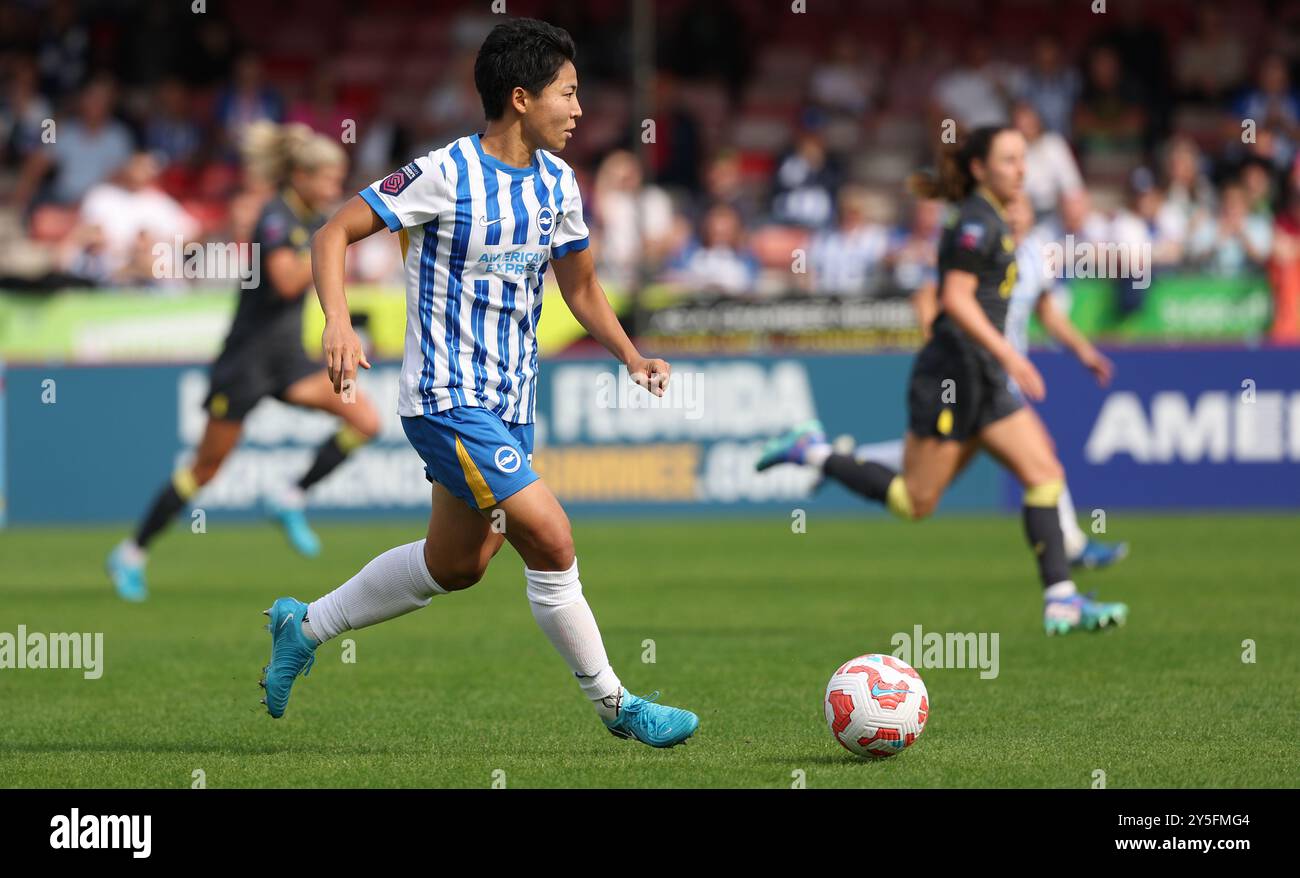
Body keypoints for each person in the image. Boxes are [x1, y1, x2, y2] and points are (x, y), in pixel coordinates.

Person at [259, 18, 698, 747]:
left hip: (510, 404)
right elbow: (332, 231)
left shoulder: (559, 183)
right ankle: (619, 707)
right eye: (569, 92)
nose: (580, 108)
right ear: (521, 98)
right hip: (444, 399)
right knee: (553, 540)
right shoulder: (444, 173)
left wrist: (630, 354)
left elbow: (581, 289)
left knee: (457, 565)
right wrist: (337, 321)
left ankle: (303, 626)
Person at [755, 126, 1128, 636]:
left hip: (986, 375)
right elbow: (953, 297)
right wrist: (1011, 357)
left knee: (1043, 471)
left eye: (1023, 160)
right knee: (916, 502)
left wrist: (1074, 352)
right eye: (1009, 160)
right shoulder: (976, 222)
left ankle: (1061, 600)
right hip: (953, 375)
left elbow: (1028, 304)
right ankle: (814, 452)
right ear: (979, 169)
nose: (1022, 170)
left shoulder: (999, 221)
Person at [106, 122, 381, 601]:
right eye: (329, 178)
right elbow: (286, 283)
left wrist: (332, 240)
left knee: (365, 419)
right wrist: (332, 249)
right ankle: (131, 553)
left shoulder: (313, 219)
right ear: (300, 174)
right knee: (205, 470)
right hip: (246, 364)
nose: (335, 189)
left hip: (287, 360)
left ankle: (289, 497)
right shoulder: (275, 217)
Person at [866, 192, 1130, 570]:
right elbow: (928, 297)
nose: (1016, 217)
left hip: (1001, 373)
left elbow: (1048, 314)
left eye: (1022, 210)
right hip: (973, 371)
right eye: (1009, 210)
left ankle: (848, 459)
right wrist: (936, 344)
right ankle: (1068, 554)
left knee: (948, 461)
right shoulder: (977, 249)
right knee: (1034, 457)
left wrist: (1085, 352)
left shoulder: (1036, 255)